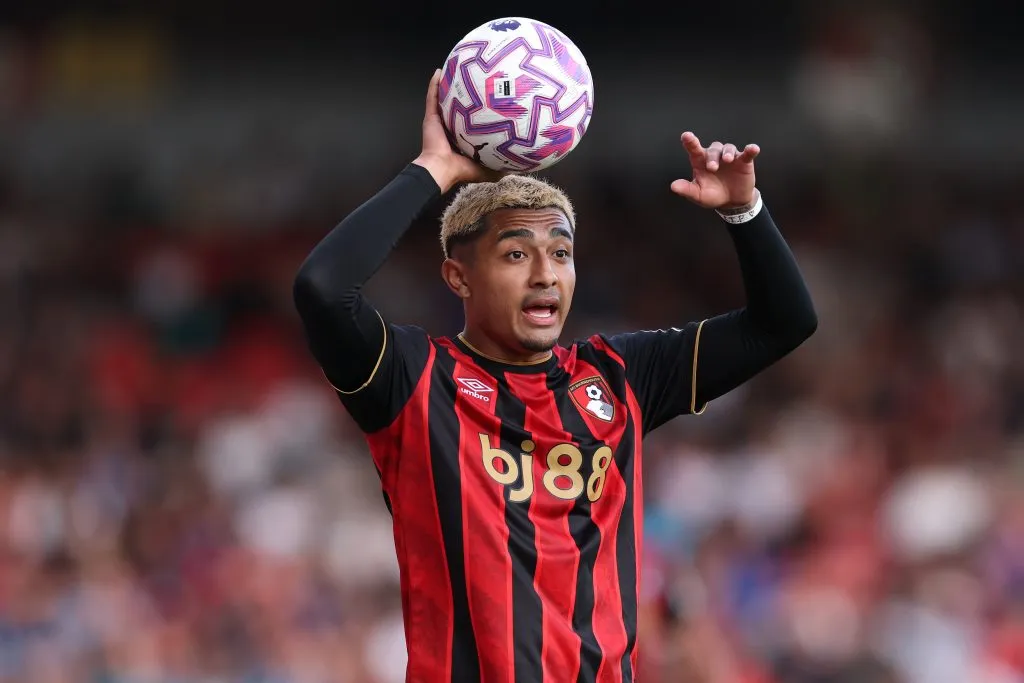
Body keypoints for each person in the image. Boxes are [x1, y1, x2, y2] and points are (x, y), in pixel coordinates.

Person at [293, 69, 817, 683]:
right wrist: (433, 168)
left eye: (561, 253)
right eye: (516, 253)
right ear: (459, 277)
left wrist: (744, 212)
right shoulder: (414, 379)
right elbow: (323, 289)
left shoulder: (619, 376)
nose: (545, 273)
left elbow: (784, 323)